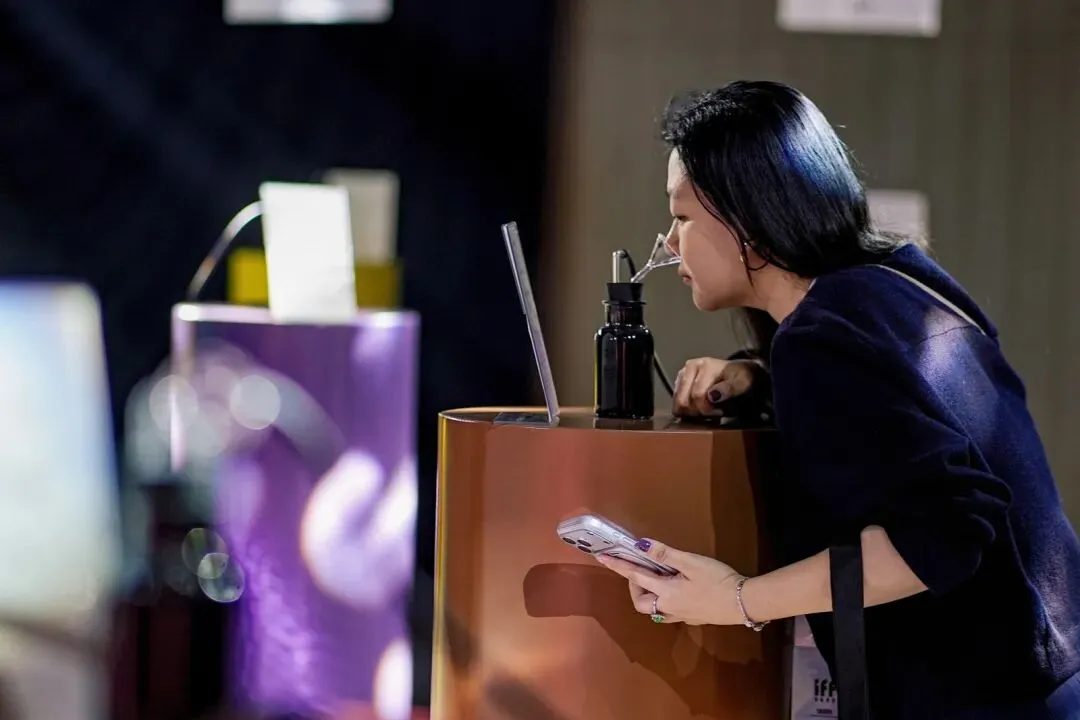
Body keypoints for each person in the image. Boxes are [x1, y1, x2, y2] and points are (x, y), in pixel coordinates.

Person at [595, 80, 1080, 719]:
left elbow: (952, 530)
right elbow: (915, 412)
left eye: (681, 216)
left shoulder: (819, 341)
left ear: (747, 217)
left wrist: (736, 598)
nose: (668, 243)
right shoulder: (897, 277)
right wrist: (759, 376)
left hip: (990, 699)